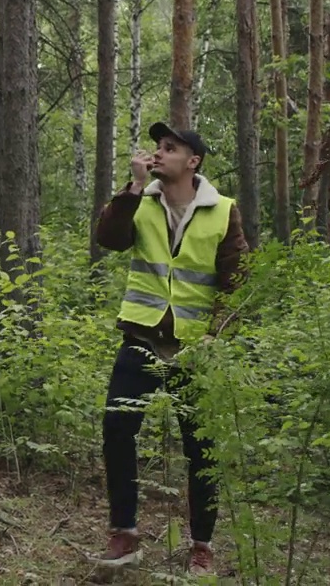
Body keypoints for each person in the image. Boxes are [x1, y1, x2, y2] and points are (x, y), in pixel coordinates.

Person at [93, 122, 249, 575]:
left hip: (194, 349)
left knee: (201, 448)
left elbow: (236, 281)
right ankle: (124, 533)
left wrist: (213, 339)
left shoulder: (222, 210)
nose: (157, 153)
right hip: (140, 336)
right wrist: (134, 187)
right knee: (117, 429)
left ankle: (202, 545)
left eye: (169, 148)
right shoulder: (140, 202)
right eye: (157, 147)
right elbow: (109, 239)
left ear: (193, 161)